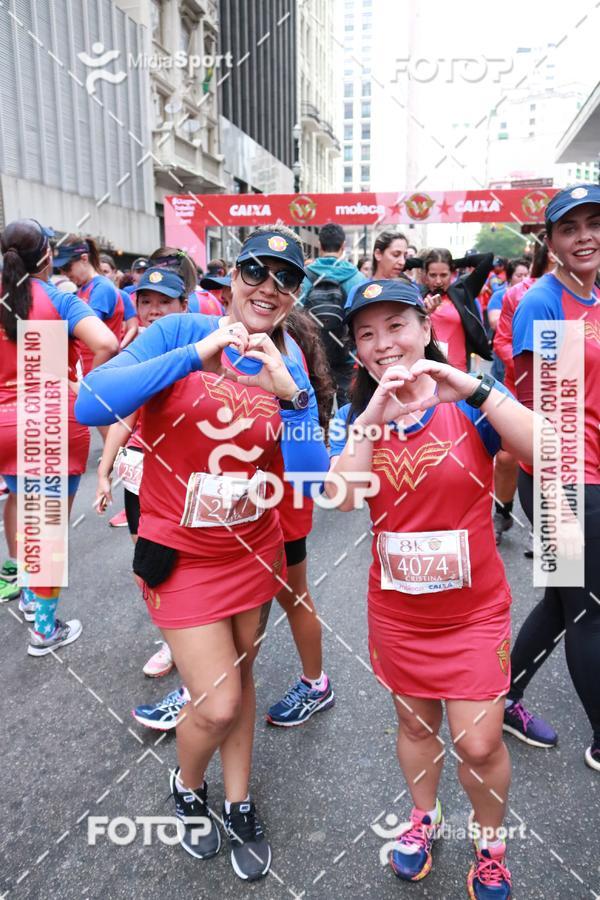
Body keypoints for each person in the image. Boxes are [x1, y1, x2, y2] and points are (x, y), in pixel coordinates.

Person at [76, 226, 330, 880]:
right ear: (231, 275)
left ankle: (240, 801)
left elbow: (308, 472)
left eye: (286, 279)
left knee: (241, 682)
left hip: (254, 551)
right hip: (180, 557)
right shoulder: (176, 330)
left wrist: (289, 391)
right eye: (256, 270)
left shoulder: (287, 356)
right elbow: (90, 403)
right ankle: (189, 785)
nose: (268, 288)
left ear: (296, 294)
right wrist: (196, 355)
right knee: (214, 702)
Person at [325, 278, 535, 898]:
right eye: (367, 333)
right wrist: (370, 417)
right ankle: (424, 818)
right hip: (398, 616)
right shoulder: (353, 415)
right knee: (416, 729)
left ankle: (490, 842)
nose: (383, 343)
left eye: (396, 326)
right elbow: (340, 499)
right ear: (357, 350)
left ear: (425, 327)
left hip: (473, 613)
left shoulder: (470, 401)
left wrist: (472, 386)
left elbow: (549, 451)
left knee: (480, 739)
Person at [132, 305, 337, 729]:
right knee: (245, 608)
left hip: (279, 505)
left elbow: (307, 466)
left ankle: (312, 684)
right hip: (248, 506)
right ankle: (207, 686)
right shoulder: (244, 352)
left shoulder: (281, 363)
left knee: (293, 595)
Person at [504, 184, 600, 771]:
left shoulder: (596, 296)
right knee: (589, 609)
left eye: (594, 223)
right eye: (570, 228)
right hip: (564, 475)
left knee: (564, 605)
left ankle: (503, 696)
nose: (585, 236)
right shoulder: (545, 302)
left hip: (591, 473)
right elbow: (544, 410)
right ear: (552, 242)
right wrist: (570, 493)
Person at [0, 219, 118, 647]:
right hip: (52, 418)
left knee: (29, 513)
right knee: (48, 527)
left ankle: (32, 599)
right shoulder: (57, 299)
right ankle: (44, 630)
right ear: (47, 257)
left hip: (4, 425)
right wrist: (81, 386)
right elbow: (106, 342)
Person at [96, 267, 189, 677]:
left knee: (181, 568)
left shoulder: (202, 350)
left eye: (164, 302)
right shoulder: (137, 354)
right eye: (145, 302)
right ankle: (175, 640)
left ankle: (194, 654)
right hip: (138, 476)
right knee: (146, 567)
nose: (153, 311)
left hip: (183, 481)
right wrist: (104, 468)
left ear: (183, 307)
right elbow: (124, 414)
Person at [300, 224, 366, 407]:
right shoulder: (357, 278)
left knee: (318, 405)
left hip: (313, 353)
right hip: (346, 354)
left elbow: (295, 313)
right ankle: (346, 434)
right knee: (348, 406)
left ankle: (323, 433)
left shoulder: (305, 275)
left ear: (320, 244)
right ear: (343, 245)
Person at [53, 236, 124, 379]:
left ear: (84, 258)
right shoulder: (83, 289)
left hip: (98, 375)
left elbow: (90, 332)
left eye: (67, 267)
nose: (65, 274)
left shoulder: (101, 287)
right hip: (85, 371)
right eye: (61, 269)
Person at [420, 248, 493, 372]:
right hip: (427, 371)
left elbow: (487, 257)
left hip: (459, 371)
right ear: (425, 275)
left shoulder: (462, 292)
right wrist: (425, 312)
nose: (438, 281)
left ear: (452, 274)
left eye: (443, 275)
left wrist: (453, 262)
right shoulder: (417, 297)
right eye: (433, 275)